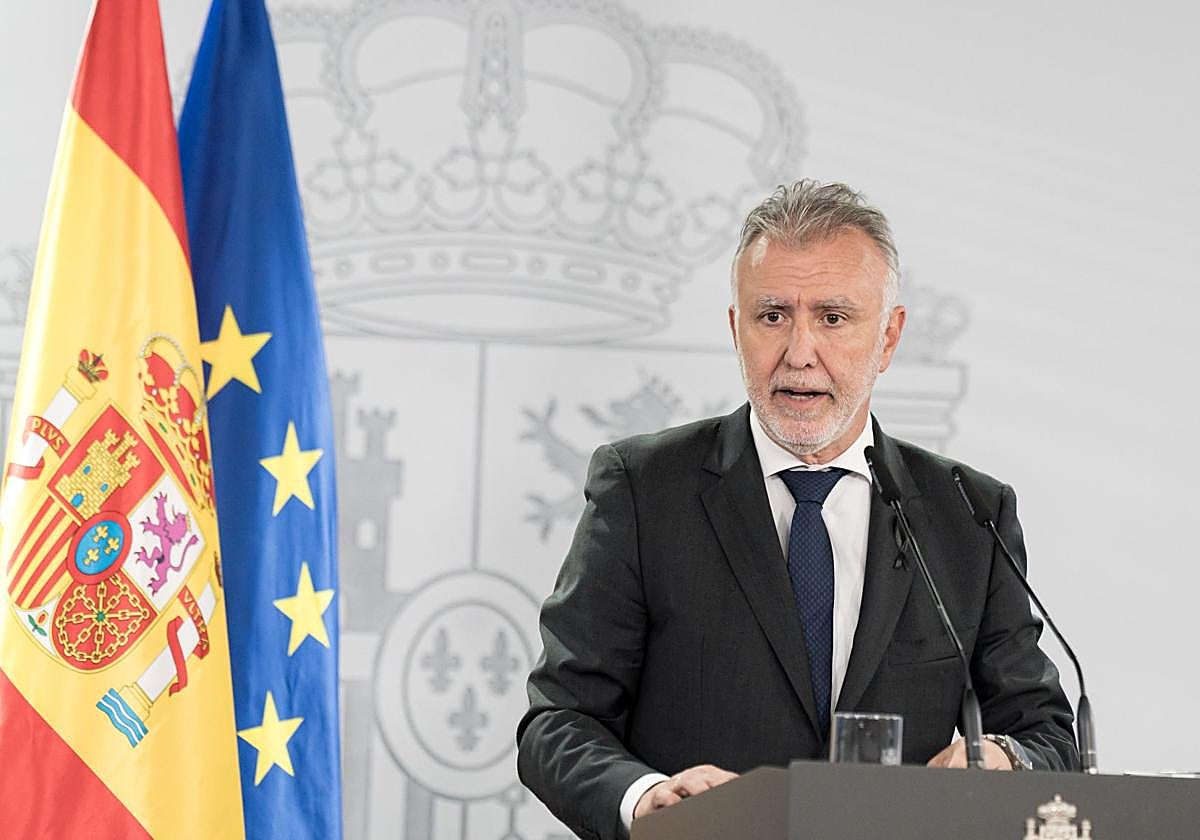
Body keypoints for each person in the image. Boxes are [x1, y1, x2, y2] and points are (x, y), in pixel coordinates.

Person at [516, 180, 1078, 840]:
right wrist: (647, 797)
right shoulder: (643, 490)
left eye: (834, 318)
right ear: (736, 328)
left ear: (889, 337)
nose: (800, 351)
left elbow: (1043, 733)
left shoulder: (968, 515)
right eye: (773, 315)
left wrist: (1004, 759)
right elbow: (559, 720)